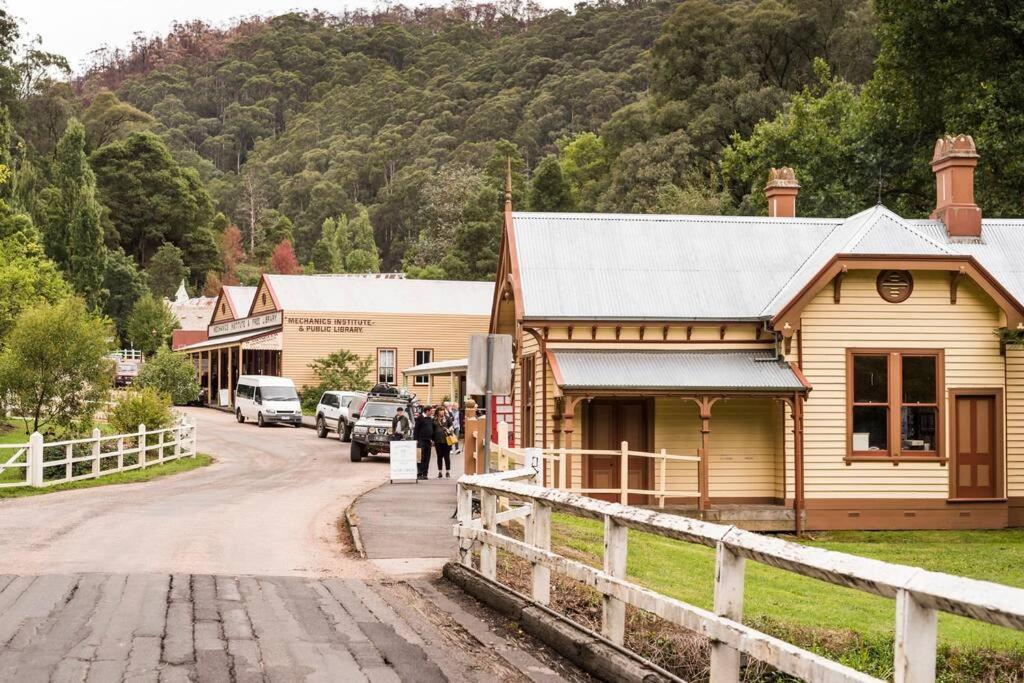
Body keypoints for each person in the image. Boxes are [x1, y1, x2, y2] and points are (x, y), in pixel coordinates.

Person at [433, 405, 455, 479]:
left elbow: (452, 426)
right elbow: (432, 429)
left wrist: (450, 429)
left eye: (443, 410)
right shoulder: (434, 419)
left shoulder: (448, 418)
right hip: (437, 441)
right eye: (440, 410)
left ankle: (447, 471)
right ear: (437, 411)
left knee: (447, 456)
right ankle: (440, 472)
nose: (442, 412)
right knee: (439, 457)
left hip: (447, 440)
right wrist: (432, 439)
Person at [414, 405, 434, 480]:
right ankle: (419, 473)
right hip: (421, 441)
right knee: (419, 457)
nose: (432, 412)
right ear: (427, 411)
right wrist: (416, 439)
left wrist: (432, 439)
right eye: (431, 411)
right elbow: (416, 429)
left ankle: (425, 473)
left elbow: (431, 429)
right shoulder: (420, 418)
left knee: (427, 458)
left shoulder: (430, 418)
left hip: (428, 441)